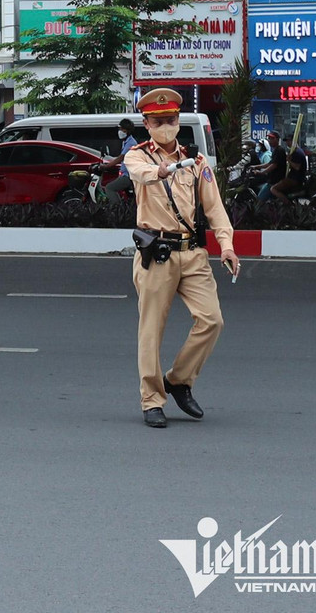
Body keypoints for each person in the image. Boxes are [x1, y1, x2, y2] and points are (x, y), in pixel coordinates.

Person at [125, 89, 238, 429]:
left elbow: (215, 207)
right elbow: (141, 175)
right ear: (146, 124)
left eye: (171, 121)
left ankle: (179, 380)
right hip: (156, 255)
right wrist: (160, 171)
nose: (166, 127)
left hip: (192, 254)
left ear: (179, 122)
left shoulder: (197, 162)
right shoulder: (138, 156)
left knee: (212, 320)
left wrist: (227, 245)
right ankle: (152, 400)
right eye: (158, 122)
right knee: (151, 332)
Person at [101, 118, 138, 200]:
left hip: (128, 175)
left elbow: (121, 157)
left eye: (122, 129)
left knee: (109, 188)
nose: (120, 131)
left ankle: (116, 209)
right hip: (125, 174)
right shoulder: (125, 142)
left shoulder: (131, 143)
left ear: (127, 131)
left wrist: (106, 166)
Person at [248, 130, 287, 200]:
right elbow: (269, 163)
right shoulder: (275, 150)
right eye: (269, 139)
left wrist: (261, 172)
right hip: (271, 180)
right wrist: (255, 166)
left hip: (275, 181)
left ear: (277, 140)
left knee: (260, 199)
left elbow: (273, 165)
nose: (270, 140)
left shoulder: (279, 150)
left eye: (272, 138)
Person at [268, 135, 308, 202]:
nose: (287, 143)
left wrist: (289, 160)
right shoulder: (294, 152)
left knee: (273, 189)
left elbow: (297, 167)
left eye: (289, 141)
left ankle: (287, 204)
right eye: (286, 141)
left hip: (294, 178)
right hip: (293, 177)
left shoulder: (297, 152)